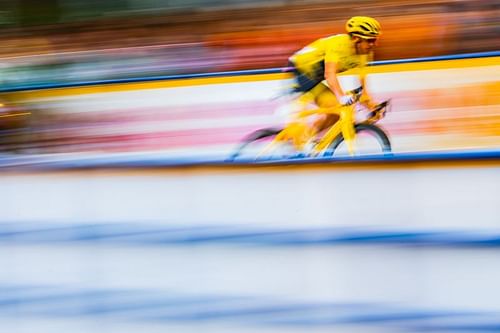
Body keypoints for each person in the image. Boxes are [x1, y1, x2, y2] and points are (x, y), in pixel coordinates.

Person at [286, 16, 382, 148]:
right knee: (335, 103)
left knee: (336, 113)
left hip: (315, 77)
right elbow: (330, 74)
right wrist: (342, 97)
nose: (374, 44)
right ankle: (299, 140)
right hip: (300, 70)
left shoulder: (365, 53)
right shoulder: (338, 45)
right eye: (370, 40)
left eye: (375, 39)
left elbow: (363, 88)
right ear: (355, 39)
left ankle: (308, 139)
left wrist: (372, 106)